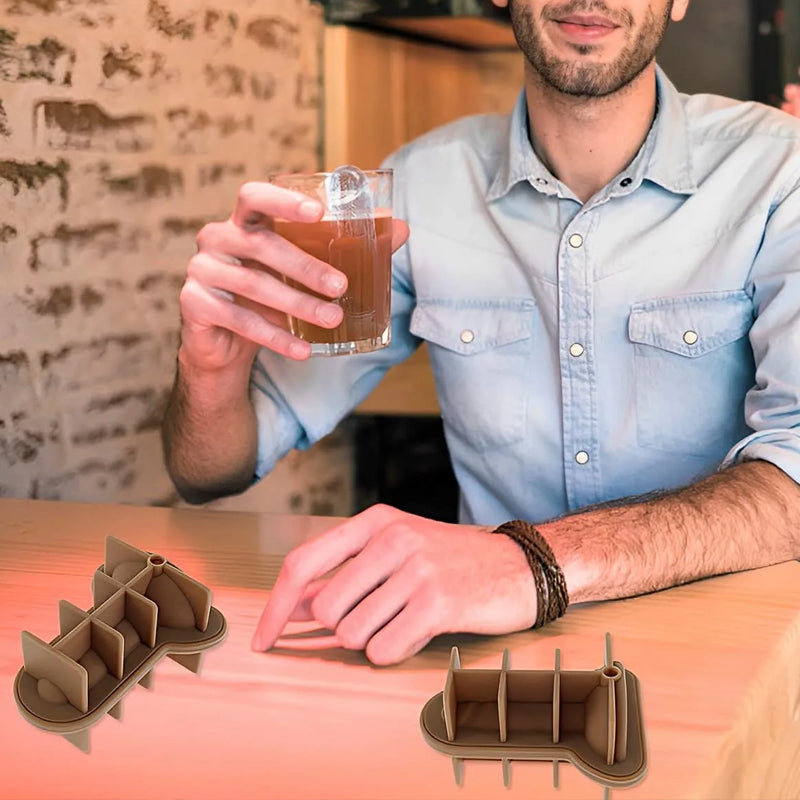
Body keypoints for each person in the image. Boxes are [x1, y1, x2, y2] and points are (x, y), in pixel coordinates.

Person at [162, 0, 800, 665]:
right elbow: (211, 471)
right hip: (491, 666)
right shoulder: (421, 185)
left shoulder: (780, 171)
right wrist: (210, 370)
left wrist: (533, 564)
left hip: (732, 653)